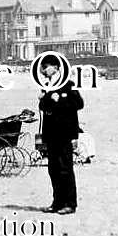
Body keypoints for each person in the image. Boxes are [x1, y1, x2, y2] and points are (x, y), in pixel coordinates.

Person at [38, 55, 84, 215]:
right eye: (43, 66)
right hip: (51, 133)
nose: (44, 69)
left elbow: (79, 104)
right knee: (53, 169)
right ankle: (57, 202)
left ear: (56, 67)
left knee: (65, 168)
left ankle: (70, 204)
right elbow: (42, 106)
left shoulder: (68, 84)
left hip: (65, 133)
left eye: (47, 66)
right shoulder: (46, 86)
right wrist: (47, 99)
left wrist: (59, 101)